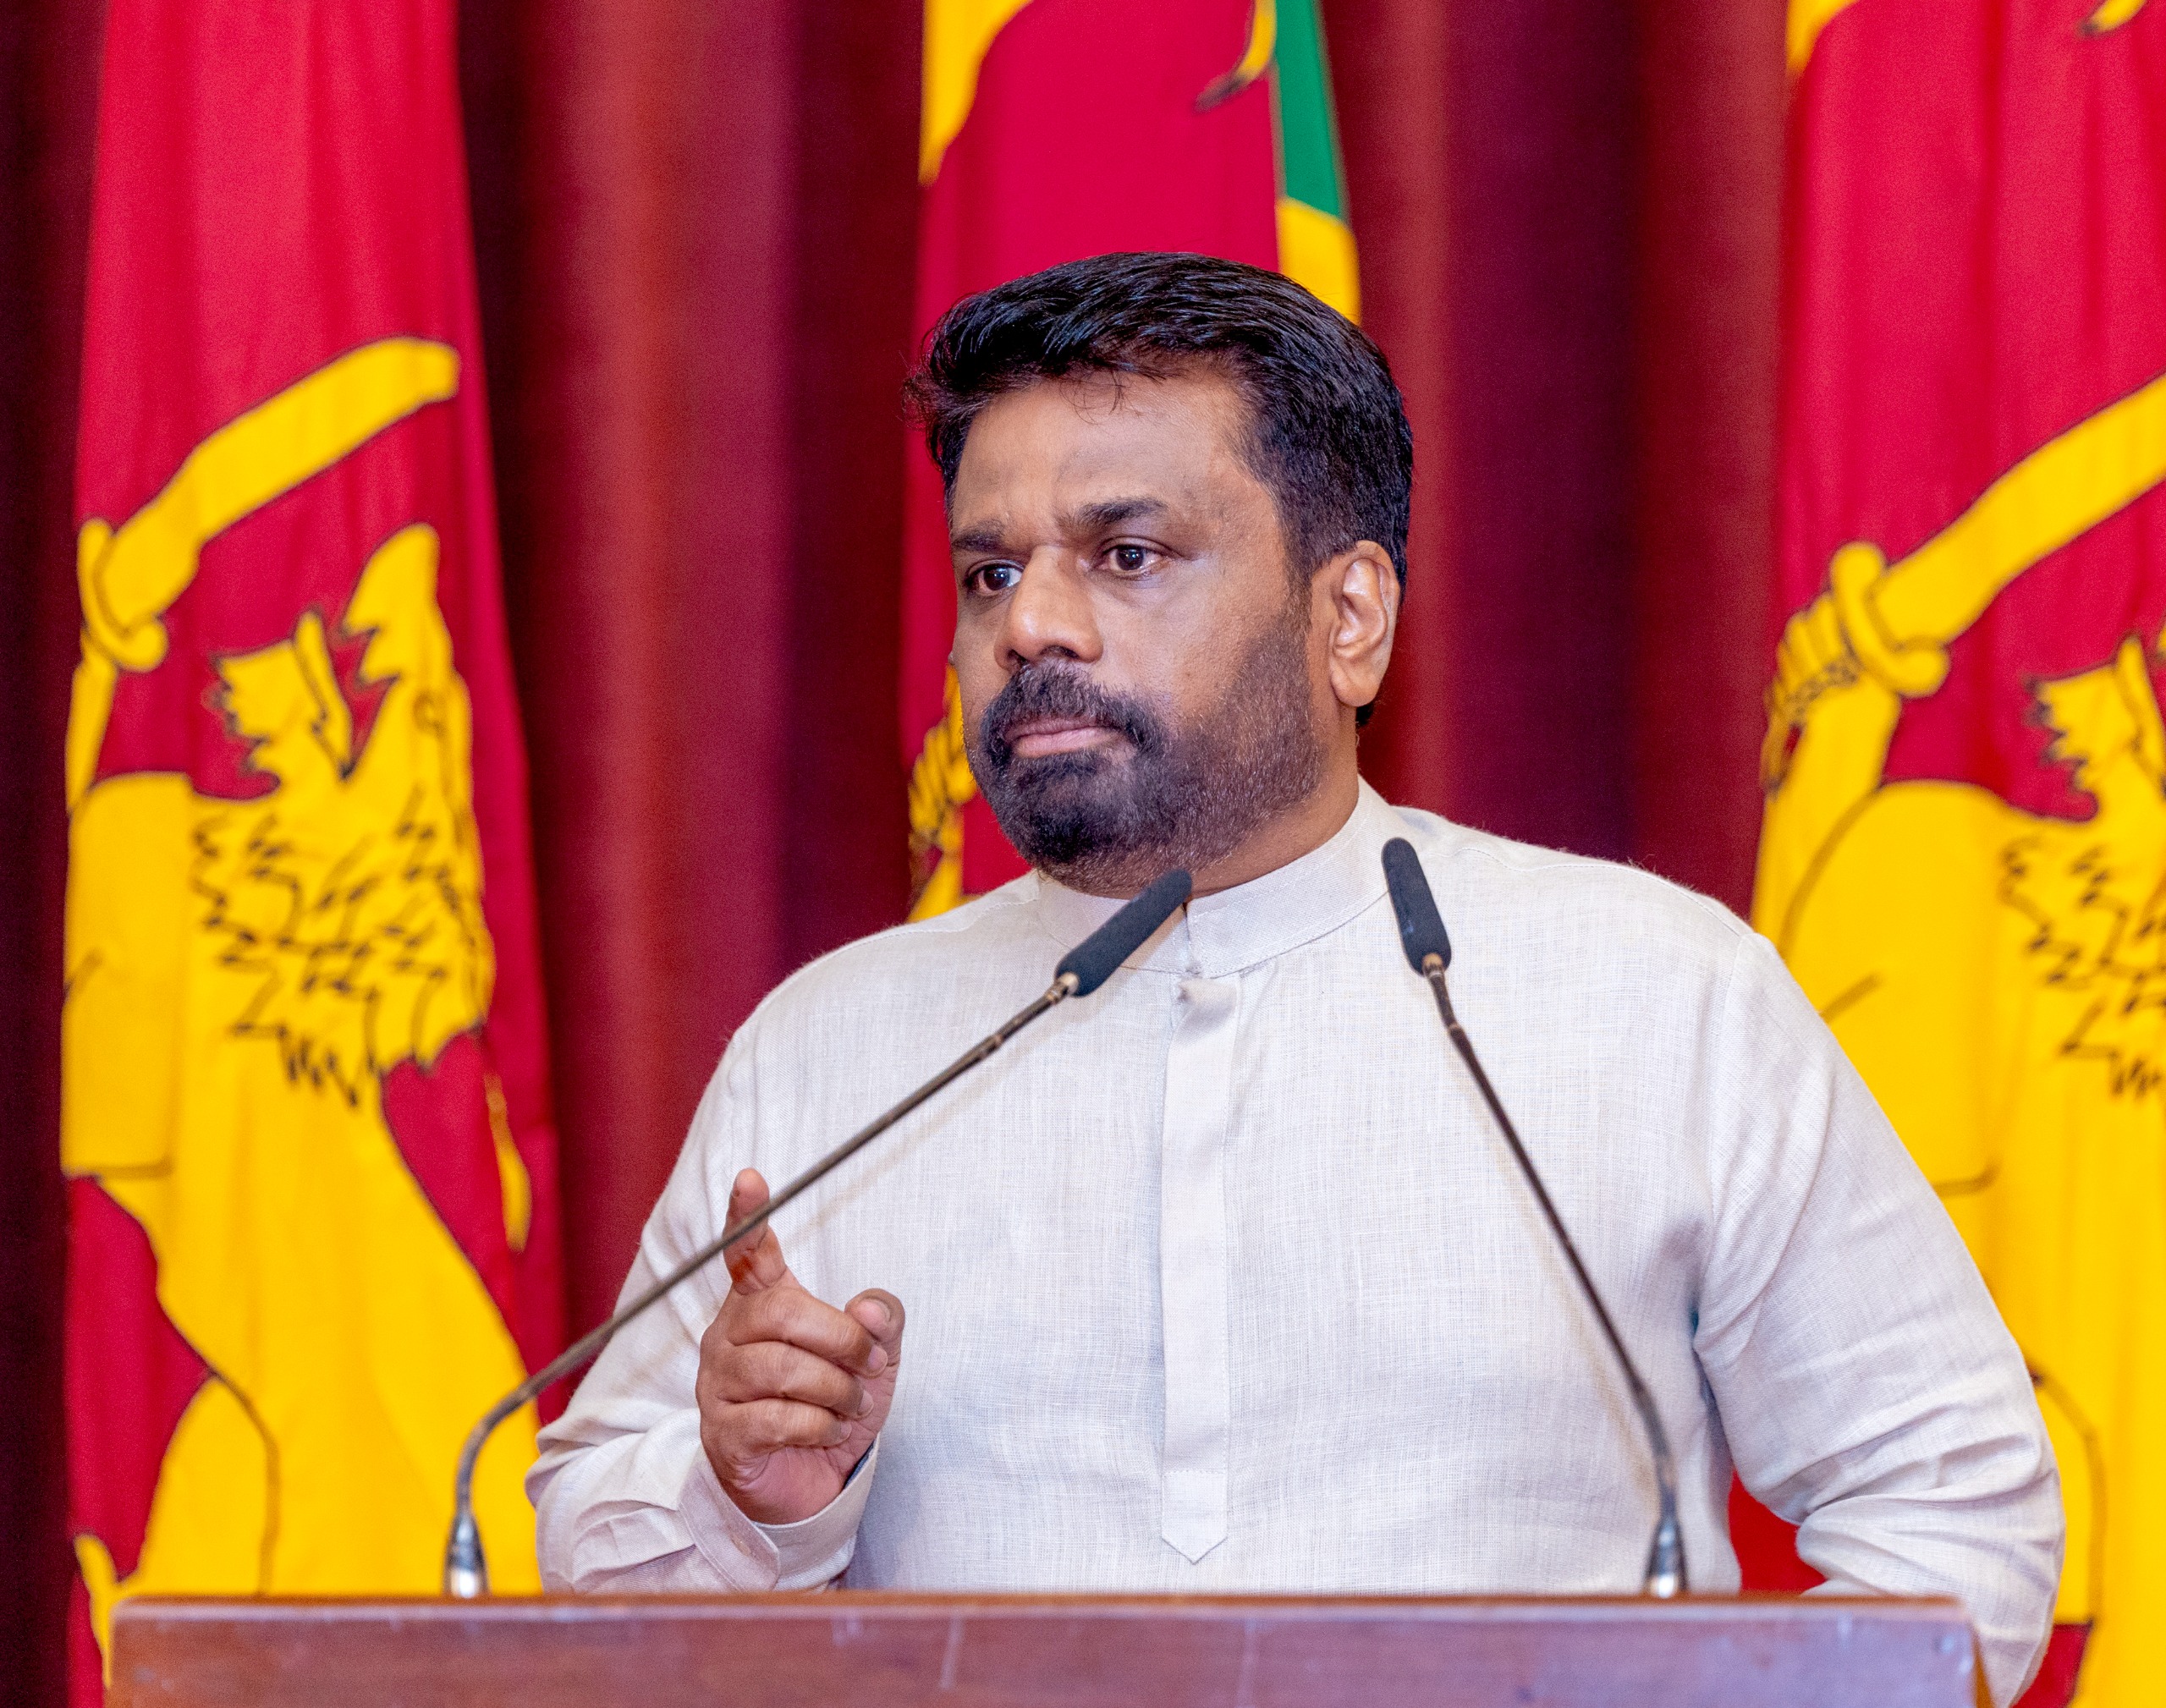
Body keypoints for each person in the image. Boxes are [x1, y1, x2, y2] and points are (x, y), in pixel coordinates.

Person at [528, 252, 2059, 1705]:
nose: (1032, 627)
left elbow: (1951, 1503)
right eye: (991, 574)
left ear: (1349, 617)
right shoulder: (835, 1047)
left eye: (1127, 556)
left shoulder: (1659, 998)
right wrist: (751, 1499)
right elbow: (585, 1564)